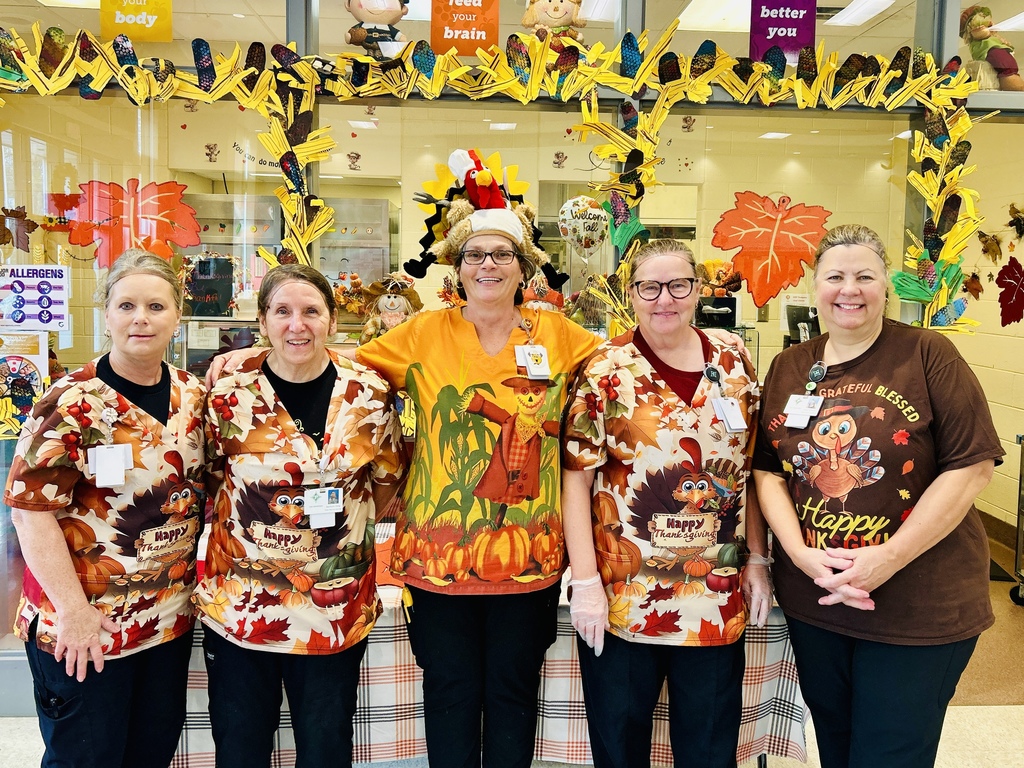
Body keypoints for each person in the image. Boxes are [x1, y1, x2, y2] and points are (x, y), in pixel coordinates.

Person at [752, 224, 1002, 768]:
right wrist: (798, 555)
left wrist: (888, 558)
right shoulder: (790, 366)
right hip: (816, 600)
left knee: (889, 754)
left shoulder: (928, 353)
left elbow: (973, 467)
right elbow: (768, 471)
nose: (850, 289)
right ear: (813, 285)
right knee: (837, 749)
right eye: (835, 276)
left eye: (865, 276)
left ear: (887, 285)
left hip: (918, 606)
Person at [562, 238, 772, 768]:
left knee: (709, 743)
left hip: (714, 594)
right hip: (626, 594)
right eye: (649, 287)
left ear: (698, 289)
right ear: (631, 294)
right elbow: (576, 480)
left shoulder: (734, 360)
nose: (665, 299)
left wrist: (758, 560)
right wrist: (585, 581)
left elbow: (750, 471)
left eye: (679, 285)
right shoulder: (605, 370)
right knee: (620, 739)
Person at [193, 264, 403, 768]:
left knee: (325, 746)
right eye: (282, 311)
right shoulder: (228, 395)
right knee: (241, 747)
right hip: (244, 607)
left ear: (332, 320)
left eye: (311, 311)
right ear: (262, 321)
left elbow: (388, 479)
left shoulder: (369, 394)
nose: (297, 325)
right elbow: (210, 476)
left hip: (335, 607)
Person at [6, 249, 206, 768]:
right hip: (86, 625)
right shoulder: (70, 402)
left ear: (177, 317)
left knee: (151, 752)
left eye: (156, 306)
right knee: (86, 757)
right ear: (106, 314)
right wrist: (73, 612)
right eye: (127, 305)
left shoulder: (193, 396)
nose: (141, 318)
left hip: (165, 623)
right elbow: (30, 512)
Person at [960, 5, 1024, 91]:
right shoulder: (983, 42)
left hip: (993, 50)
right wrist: (988, 31)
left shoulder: (991, 39)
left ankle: (1012, 78)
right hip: (990, 52)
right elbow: (981, 32)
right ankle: (1011, 80)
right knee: (1002, 59)